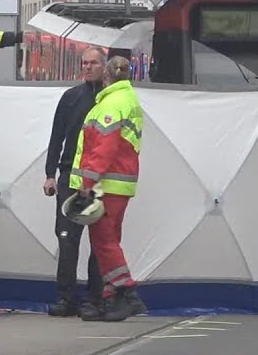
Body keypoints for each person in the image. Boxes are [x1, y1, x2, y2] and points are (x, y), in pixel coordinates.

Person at [70, 56, 146, 321]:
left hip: (106, 184)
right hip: (120, 183)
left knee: (103, 241)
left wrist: (87, 183)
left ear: (106, 76)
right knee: (110, 240)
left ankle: (126, 292)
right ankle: (111, 298)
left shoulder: (111, 103)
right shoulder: (127, 99)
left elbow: (103, 147)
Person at [43, 47, 105, 318]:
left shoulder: (109, 100)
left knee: (99, 242)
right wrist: (50, 174)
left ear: (104, 66)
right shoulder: (71, 97)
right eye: (84, 63)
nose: (87, 67)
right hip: (71, 177)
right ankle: (65, 298)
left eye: (93, 63)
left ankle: (95, 298)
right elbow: (57, 137)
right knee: (67, 239)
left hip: (99, 180)